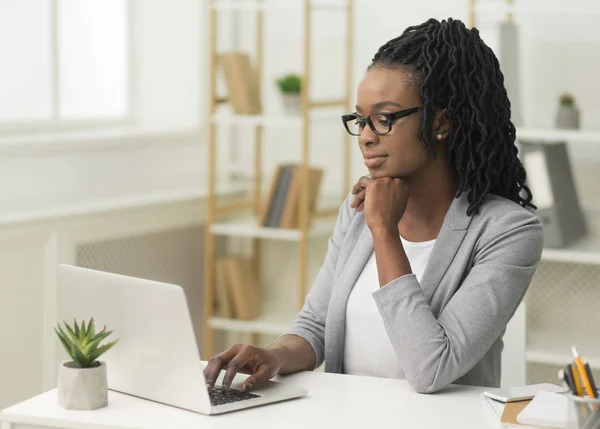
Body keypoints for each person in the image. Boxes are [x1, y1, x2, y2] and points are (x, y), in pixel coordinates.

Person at [204, 17, 543, 394]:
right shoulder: (356, 212)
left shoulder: (507, 231)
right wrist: (275, 355)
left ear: (441, 123)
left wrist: (384, 231)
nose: (365, 137)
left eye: (384, 119)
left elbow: (432, 368)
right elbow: (315, 326)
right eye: (361, 119)